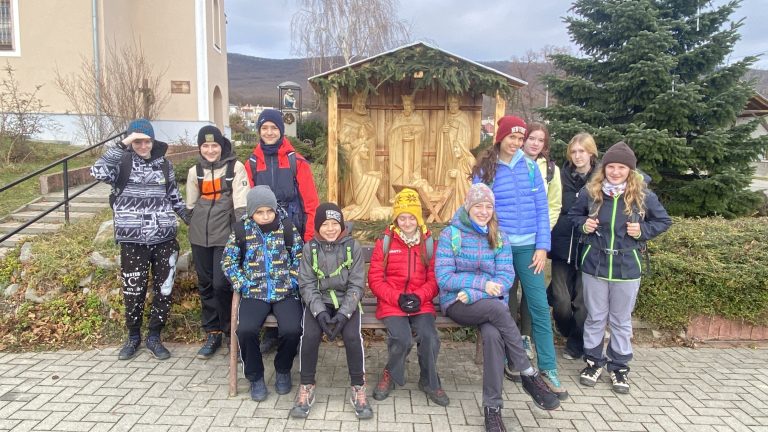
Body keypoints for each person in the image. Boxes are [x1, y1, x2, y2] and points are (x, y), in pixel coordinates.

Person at [435, 183, 560, 432]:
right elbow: (444, 277)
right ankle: (527, 371)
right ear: (468, 206)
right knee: (497, 310)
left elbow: (505, 277)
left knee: (493, 335)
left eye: (488, 206)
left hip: (485, 303)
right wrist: (481, 285)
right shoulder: (452, 234)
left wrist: (474, 291)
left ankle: (493, 409)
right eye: (478, 206)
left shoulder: (499, 236)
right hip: (457, 303)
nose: (483, 211)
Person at [471, 116, 568, 400]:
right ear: (500, 137)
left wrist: (542, 247)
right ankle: (507, 360)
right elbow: (476, 210)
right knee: (504, 305)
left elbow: (542, 209)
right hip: (498, 248)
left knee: (538, 306)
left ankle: (548, 368)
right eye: (512, 137)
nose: (516, 143)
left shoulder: (530, 168)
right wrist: (486, 245)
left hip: (529, 249)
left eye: (520, 138)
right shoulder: (485, 169)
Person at [569, 141, 671, 394]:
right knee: (595, 317)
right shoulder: (591, 192)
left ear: (630, 170)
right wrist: (584, 225)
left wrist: (643, 230)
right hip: (595, 265)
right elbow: (572, 216)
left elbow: (664, 220)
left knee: (621, 320)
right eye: (611, 167)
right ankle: (593, 363)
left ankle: (619, 367)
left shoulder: (643, 195)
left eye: (621, 168)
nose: (615, 172)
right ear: (604, 168)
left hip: (627, 267)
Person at [91, 119, 189, 361]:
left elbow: (175, 199)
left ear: (153, 141)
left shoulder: (165, 166)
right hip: (132, 240)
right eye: (138, 141)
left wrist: (193, 220)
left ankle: (154, 336)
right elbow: (97, 170)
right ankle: (133, 336)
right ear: (130, 142)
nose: (143, 145)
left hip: (164, 239)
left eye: (147, 141)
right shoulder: (120, 164)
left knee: (163, 289)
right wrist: (122, 144)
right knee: (133, 290)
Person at [245, 108, 319, 353]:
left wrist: (308, 237)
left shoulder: (297, 162)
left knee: (293, 278)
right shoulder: (252, 163)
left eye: (273, 128)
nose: (269, 132)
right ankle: (271, 333)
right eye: (264, 128)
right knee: (268, 272)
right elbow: (248, 202)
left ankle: (294, 329)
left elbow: (311, 203)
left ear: (281, 131)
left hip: (293, 229)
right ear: (259, 131)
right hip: (263, 230)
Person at [221, 185, 304, 401]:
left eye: (269, 211)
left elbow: (300, 257)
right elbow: (228, 261)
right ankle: (255, 376)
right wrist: (243, 283)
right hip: (254, 292)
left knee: (293, 330)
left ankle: (283, 369)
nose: (266, 216)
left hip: (284, 292)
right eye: (260, 212)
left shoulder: (287, 228)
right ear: (251, 212)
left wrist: (292, 281)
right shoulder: (241, 231)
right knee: (245, 330)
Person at [368, 188, 449, 407]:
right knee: (402, 339)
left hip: (421, 302)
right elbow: (375, 279)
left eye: (411, 217)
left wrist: (420, 296)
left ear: (418, 218)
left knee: (429, 337)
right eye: (401, 218)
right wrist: (397, 298)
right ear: (396, 219)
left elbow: (435, 278)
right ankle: (390, 374)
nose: (406, 222)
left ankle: (429, 380)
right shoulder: (384, 243)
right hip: (392, 303)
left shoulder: (429, 244)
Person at [291, 203, 372, 419]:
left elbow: (356, 285)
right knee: (309, 336)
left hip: (347, 301)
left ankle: (358, 386)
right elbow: (306, 284)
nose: (330, 228)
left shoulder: (352, 247)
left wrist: (344, 315)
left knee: (353, 337)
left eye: (334, 223)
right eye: (324, 224)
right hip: (320, 301)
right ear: (318, 226)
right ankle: (307, 385)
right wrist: (319, 313)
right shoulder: (310, 248)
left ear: (342, 225)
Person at [186, 125, 249, 359]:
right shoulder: (196, 171)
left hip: (225, 236)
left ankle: (230, 329)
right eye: (205, 145)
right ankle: (213, 332)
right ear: (200, 147)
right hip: (199, 237)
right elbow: (190, 206)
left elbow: (242, 206)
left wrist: (239, 235)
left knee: (222, 284)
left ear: (222, 146)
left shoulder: (235, 168)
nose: (210, 150)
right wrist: (193, 226)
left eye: (215, 145)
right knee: (206, 283)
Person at [506, 122, 562, 362]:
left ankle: (526, 337)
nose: (534, 143)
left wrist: (542, 237)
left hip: (535, 239)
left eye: (540, 140)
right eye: (531, 138)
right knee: (508, 290)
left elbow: (552, 205)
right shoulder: (503, 164)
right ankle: (510, 339)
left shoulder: (549, 170)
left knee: (533, 295)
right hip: (508, 240)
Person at [549, 133, 599, 360]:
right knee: (560, 300)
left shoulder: (601, 177)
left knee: (582, 301)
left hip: (589, 247)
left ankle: (576, 343)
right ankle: (565, 328)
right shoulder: (560, 176)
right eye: (574, 151)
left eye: (582, 151)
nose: (578, 156)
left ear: (591, 153)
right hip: (562, 245)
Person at [388, 94, 426, 186]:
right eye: (405, 105)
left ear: (412, 106)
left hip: (413, 150)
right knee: (403, 168)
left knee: (411, 169)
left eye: (409, 105)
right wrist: (400, 134)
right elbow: (392, 133)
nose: (407, 107)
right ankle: (400, 188)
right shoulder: (398, 118)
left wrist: (414, 134)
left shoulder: (417, 118)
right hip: (401, 152)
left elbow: (422, 131)